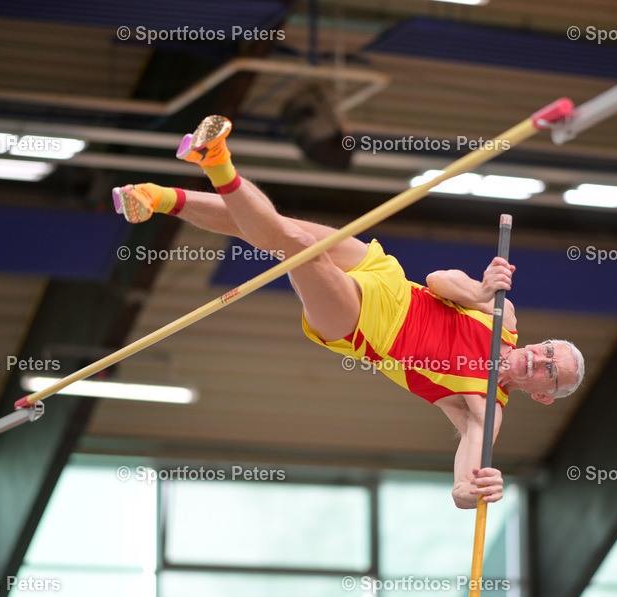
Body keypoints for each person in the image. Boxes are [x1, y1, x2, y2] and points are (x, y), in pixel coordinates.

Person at [113, 115, 585, 508]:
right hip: (386, 275)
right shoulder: (505, 315)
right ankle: (156, 198)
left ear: (543, 395)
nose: (538, 359)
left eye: (549, 371)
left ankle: (217, 162)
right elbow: (440, 281)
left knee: (294, 246)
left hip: (363, 326)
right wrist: (483, 293)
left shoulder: (485, 410)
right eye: (547, 350)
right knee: (279, 228)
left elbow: (464, 481)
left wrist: (470, 492)